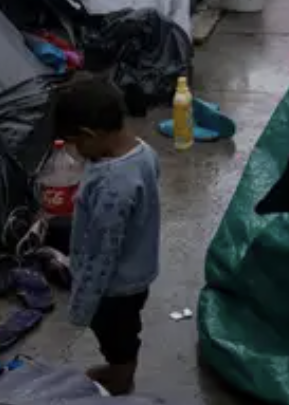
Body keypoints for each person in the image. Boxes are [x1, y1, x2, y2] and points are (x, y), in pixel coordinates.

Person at [57, 77, 161, 395]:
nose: (77, 154)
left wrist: (83, 304)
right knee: (126, 330)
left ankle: (121, 377)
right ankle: (120, 366)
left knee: (116, 336)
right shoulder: (143, 152)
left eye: (75, 144)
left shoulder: (114, 185)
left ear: (90, 135)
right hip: (138, 267)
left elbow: (102, 254)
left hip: (115, 288)